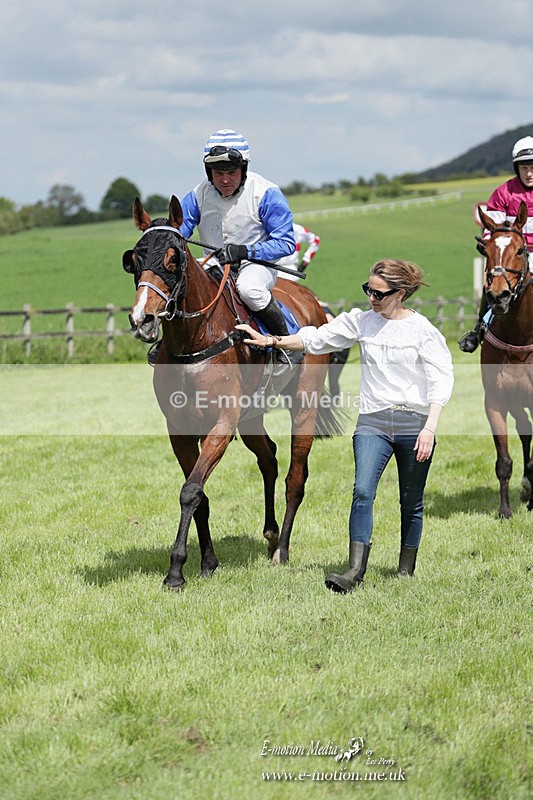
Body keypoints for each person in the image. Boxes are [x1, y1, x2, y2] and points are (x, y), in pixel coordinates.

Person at [236, 258, 454, 593]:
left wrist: (430, 428)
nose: (372, 298)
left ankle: (405, 572)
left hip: (414, 422)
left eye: (379, 293)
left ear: (401, 293)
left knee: (411, 501)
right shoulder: (361, 322)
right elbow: (316, 339)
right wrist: (272, 342)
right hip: (373, 422)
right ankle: (354, 571)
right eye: (368, 290)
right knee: (363, 491)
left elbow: (441, 379)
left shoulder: (423, 330)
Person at [179, 128, 296, 340]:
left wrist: (245, 251)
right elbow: (179, 233)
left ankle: (285, 343)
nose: (225, 180)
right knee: (182, 282)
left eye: (231, 173)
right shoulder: (197, 195)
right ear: (208, 172)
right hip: (213, 262)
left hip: (256, 265)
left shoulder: (267, 193)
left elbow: (286, 243)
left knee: (249, 289)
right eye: (218, 174)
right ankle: (167, 345)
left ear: (243, 169)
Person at [459, 135, 533, 353]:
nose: (529, 173)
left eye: (532, 167)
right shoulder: (503, 193)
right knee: (494, 282)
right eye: (524, 168)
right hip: (511, 254)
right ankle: (480, 328)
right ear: (516, 168)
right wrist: (488, 245)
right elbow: (491, 230)